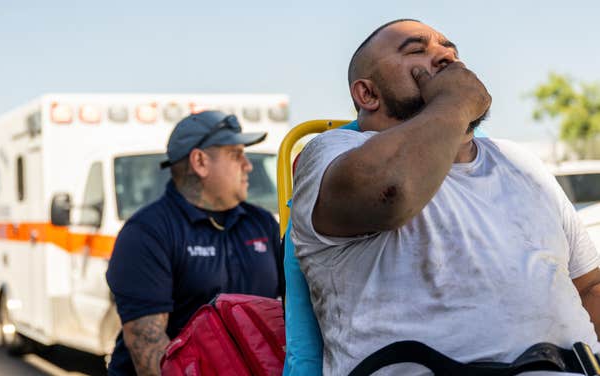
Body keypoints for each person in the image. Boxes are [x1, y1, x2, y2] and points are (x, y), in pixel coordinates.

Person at [290, 19, 600, 375]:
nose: (446, 57)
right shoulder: (332, 151)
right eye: (417, 50)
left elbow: (589, 286)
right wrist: (454, 100)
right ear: (368, 94)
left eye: (450, 51)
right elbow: (391, 192)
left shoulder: (519, 160)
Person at [106, 110, 283, 376]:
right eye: (236, 154)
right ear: (200, 161)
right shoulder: (146, 233)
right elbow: (149, 354)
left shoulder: (262, 223)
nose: (248, 165)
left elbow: (293, 314)